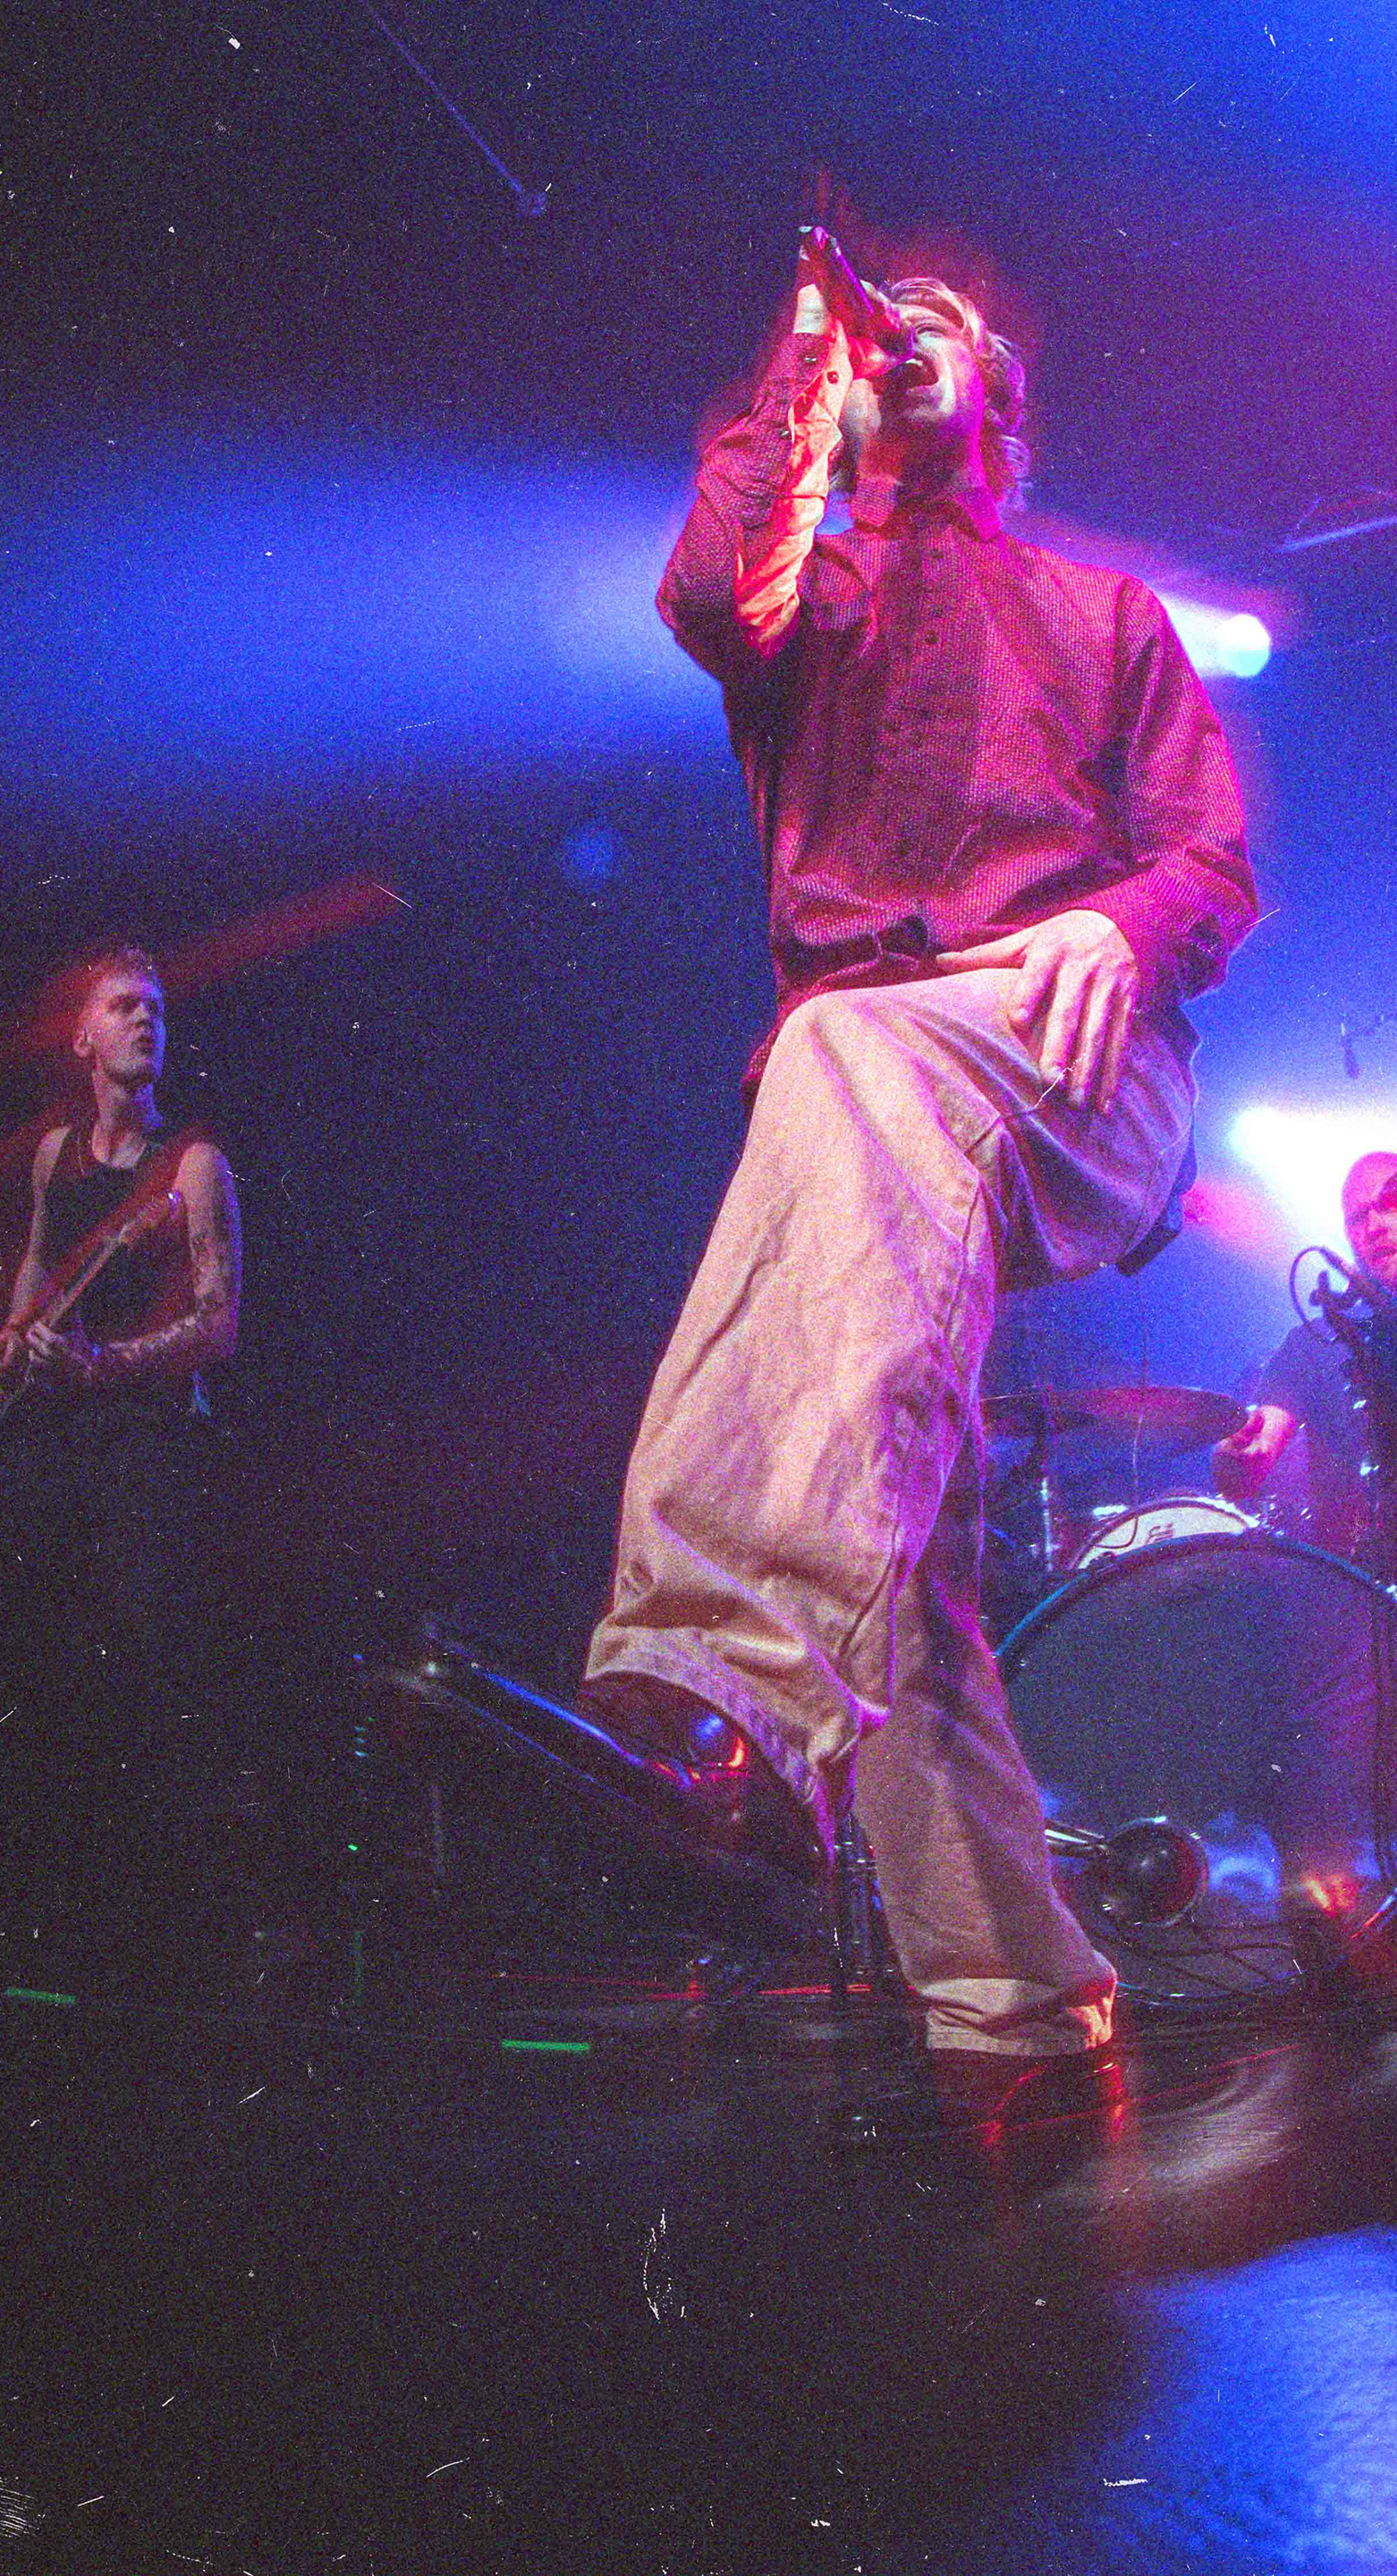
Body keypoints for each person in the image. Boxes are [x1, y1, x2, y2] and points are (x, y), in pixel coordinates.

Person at [532, 236, 1255, 2144]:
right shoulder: (813, 605)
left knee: (847, 1054)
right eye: (882, 332)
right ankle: (1018, 1989)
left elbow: (1211, 861)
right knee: (899, 1526)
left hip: (1079, 1065)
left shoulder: (1105, 613)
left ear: (1000, 396)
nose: (901, 337)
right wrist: (809, 378)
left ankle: (714, 1662)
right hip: (870, 1102)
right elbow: (712, 588)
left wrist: (1121, 923)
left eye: (940, 330)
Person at [0, 946, 246, 1970]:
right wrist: (11, 1336)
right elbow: (34, 1266)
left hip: (142, 1444)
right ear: (84, 1039)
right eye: (124, 1006)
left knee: (137, 1657)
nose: (146, 1021)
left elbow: (219, 1322)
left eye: (156, 1008)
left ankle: (154, 1909)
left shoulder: (193, 1166)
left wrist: (108, 1365)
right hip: (51, 1434)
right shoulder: (52, 1156)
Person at [1212, 1150, 1397, 1557]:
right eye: (1357, 1218)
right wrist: (1235, 1458)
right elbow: (1249, 1463)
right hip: (1374, 1575)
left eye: (1390, 1206)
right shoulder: (1313, 1342)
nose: (1373, 1227)